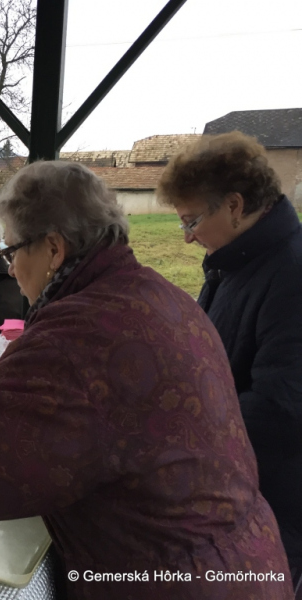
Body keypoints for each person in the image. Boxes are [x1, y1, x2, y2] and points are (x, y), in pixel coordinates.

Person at [0, 161, 293, 599]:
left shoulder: (78, 334)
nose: (9, 268)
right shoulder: (156, 292)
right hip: (237, 559)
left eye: (12, 251)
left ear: (54, 250)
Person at [157, 131, 302, 598]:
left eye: (192, 220)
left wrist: (181, 430)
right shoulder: (235, 261)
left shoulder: (291, 273)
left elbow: (281, 407)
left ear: (235, 206)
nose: (187, 237)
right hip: (233, 484)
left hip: (273, 503)